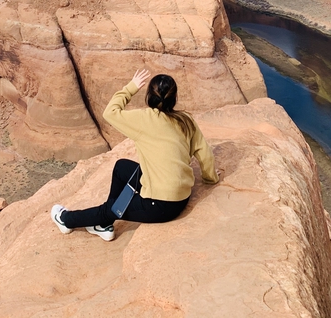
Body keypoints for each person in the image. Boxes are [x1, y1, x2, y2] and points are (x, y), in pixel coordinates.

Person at [51, 69, 219, 241]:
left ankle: (67, 220)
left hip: (160, 206)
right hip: (182, 197)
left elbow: (110, 112)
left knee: (109, 209)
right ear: (174, 98)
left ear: (149, 97)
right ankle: (105, 224)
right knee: (121, 167)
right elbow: (204, 153)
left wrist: (131, 87)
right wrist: (210, 178)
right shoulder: (186, 119)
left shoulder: (144, 118)